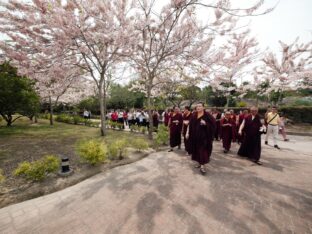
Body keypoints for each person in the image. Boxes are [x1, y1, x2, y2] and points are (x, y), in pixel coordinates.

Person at [187, 103, 216, 174]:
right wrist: (187, 132)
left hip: (204, 137)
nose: (198, 107)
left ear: (203, 107)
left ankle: (202, 166)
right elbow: (190, 125)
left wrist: (206, 124)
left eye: (200, 106)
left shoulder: (207, 115)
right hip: (195, 137)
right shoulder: (194, 115)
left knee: (202, 150)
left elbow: (213, 125)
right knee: (197, 150)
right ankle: (199, 163)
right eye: (197, 106)